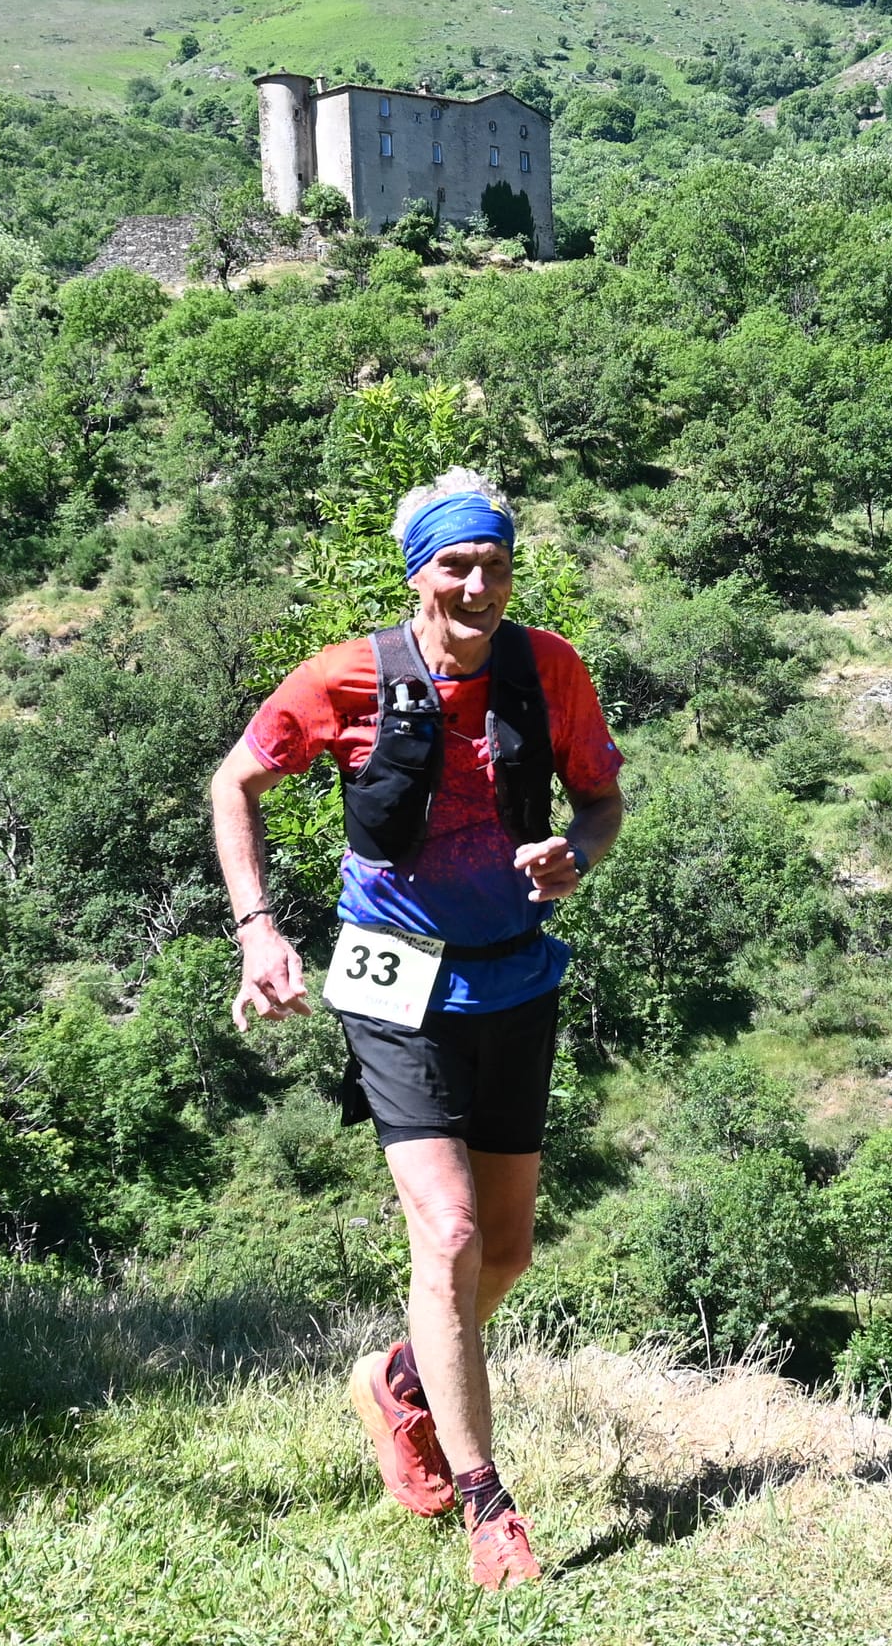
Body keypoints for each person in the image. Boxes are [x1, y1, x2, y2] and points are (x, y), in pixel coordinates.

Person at [209, 467, 623, 1591]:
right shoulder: (349, 675)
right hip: (391, 981)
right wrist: (259, 930)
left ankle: (398, 1378)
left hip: (513, 977)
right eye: (455, 564)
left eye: (493, 563)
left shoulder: (549, 672)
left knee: (505, 1250)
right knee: (443, 1236)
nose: (477, 582)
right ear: (418, 572)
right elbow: (234, 781)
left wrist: (573, 855)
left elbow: (600, 801)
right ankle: (489, 1503)